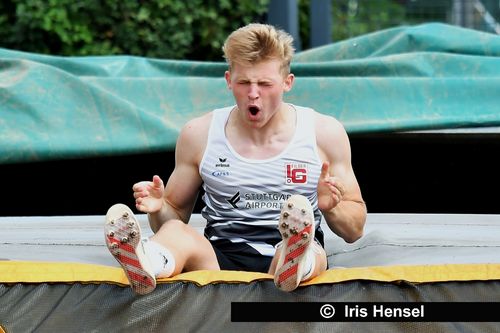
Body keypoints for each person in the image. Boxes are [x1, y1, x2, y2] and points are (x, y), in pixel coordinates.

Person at [104, 23, 367, 295]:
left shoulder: (323, 133)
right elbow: (175, 215)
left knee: (310, 250)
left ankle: (295, 263)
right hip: (220, 257)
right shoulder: (200, 134)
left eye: (265, 84)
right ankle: (149, 262)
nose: (254, 93)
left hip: (290, 249)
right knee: (173, 229)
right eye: (244, 83)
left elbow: (355, 229)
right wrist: (160, 208)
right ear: (229, 80)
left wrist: (331, 208)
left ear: (287, 83)